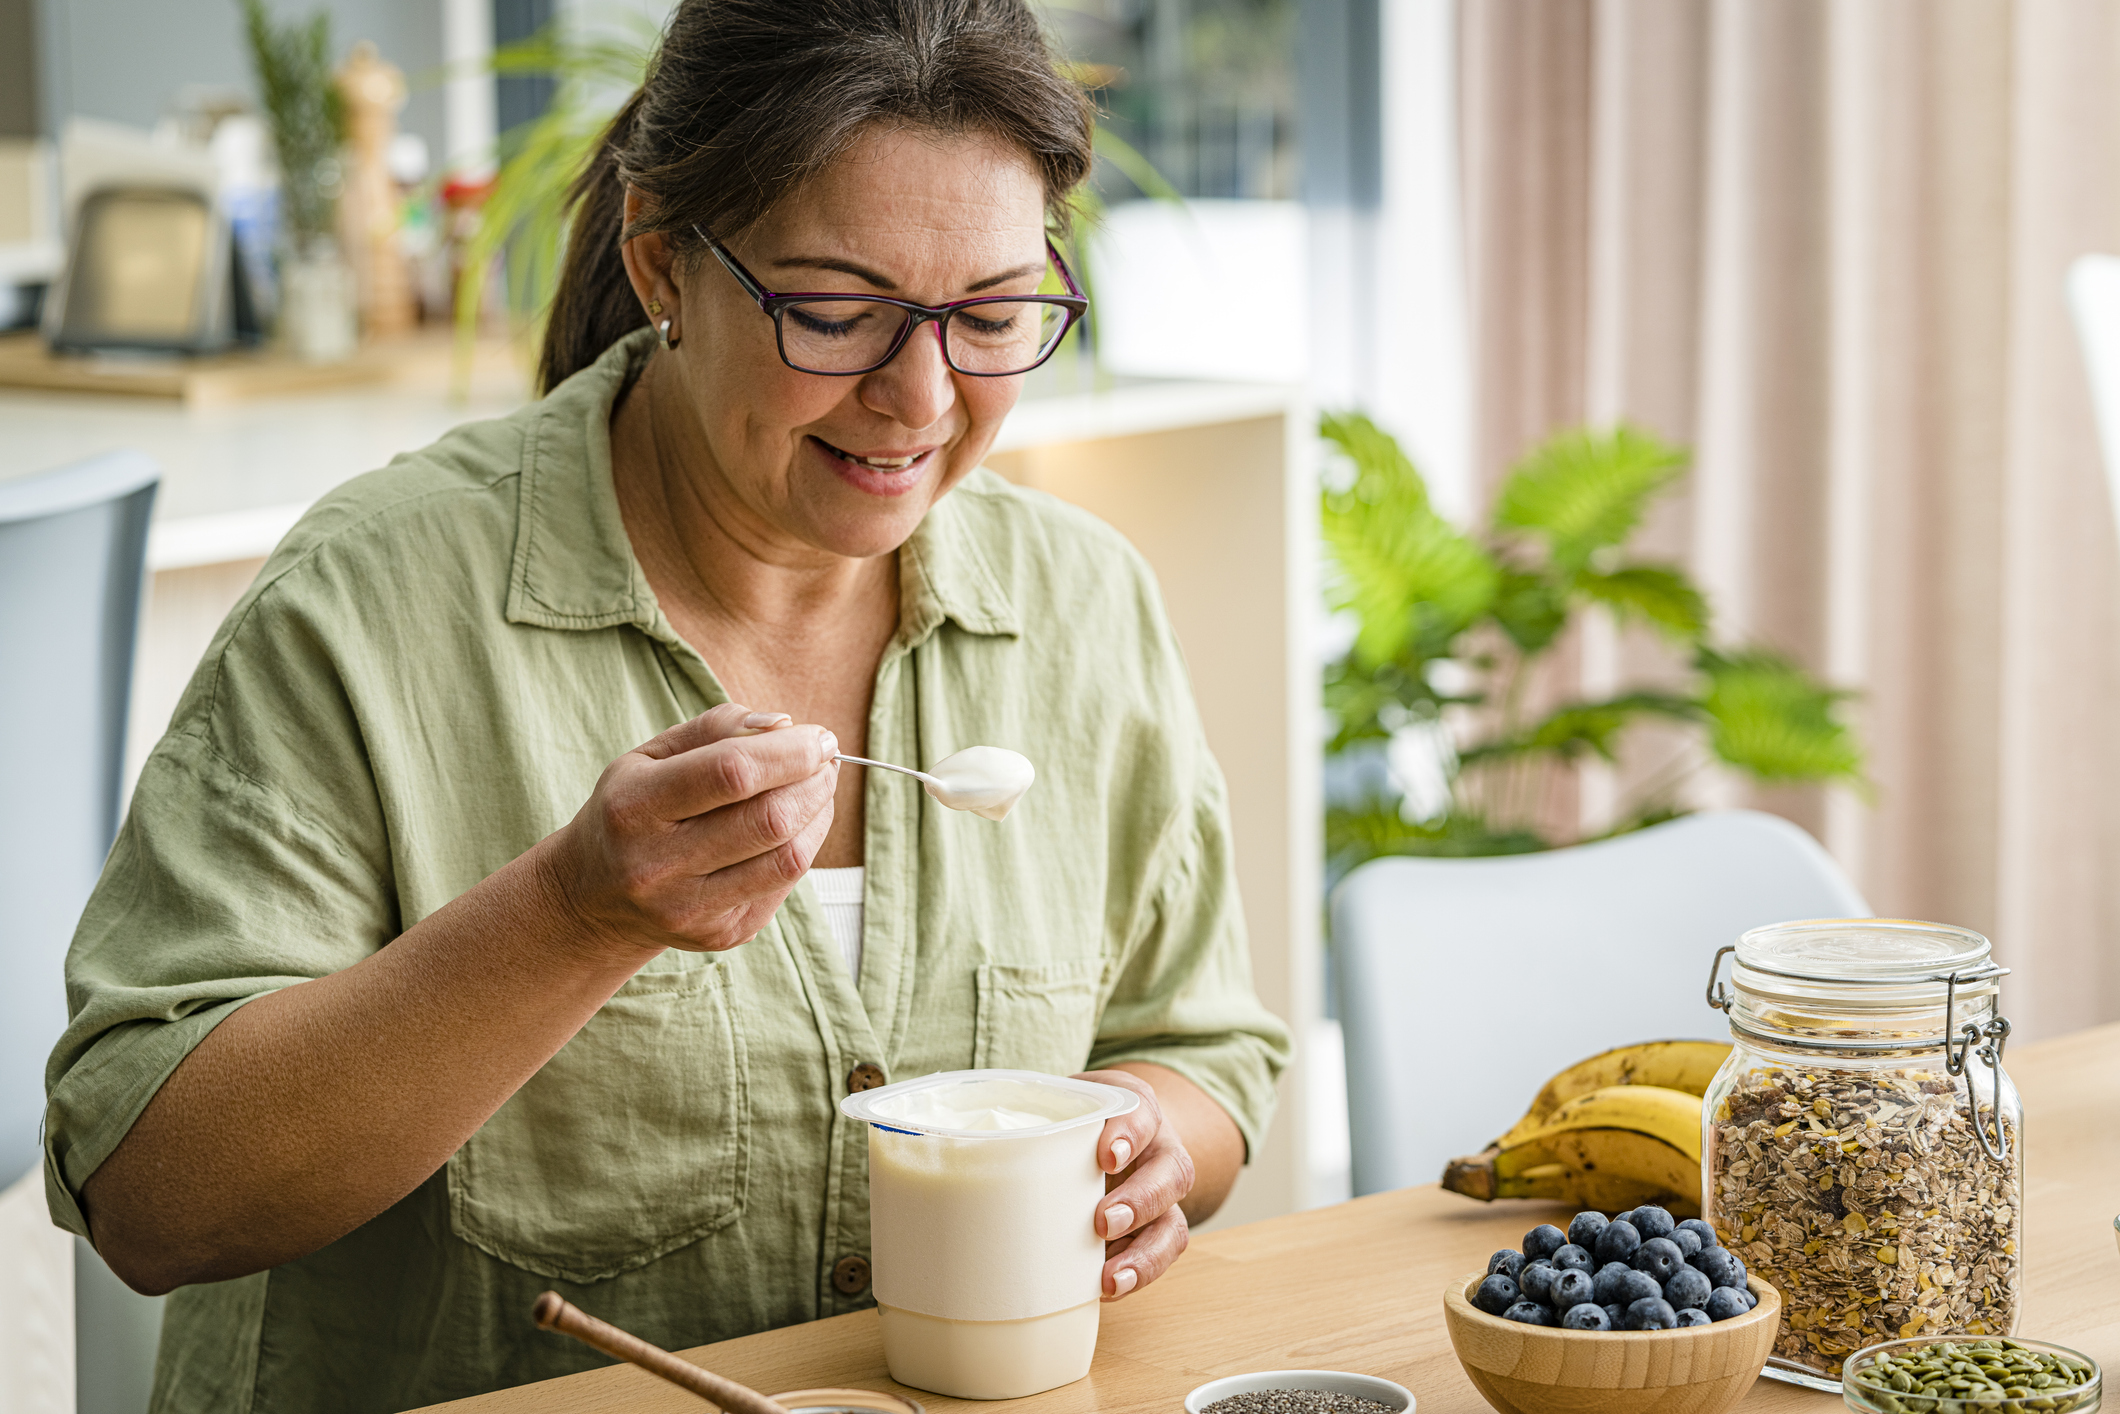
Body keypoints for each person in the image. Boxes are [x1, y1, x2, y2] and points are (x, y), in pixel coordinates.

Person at [43, 2, 1292, 1410]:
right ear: (662, 264)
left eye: (993, 316)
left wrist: (1147, 1139)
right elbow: (150, 1195)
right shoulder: (373, 607)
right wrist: (568, 916)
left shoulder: (1083, 606)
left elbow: (1202, 1047)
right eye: (834, 311)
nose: (920, 395)